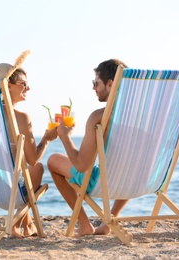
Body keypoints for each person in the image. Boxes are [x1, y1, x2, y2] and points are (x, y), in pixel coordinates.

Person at [47, 59, 129, 236]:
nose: (93, 88)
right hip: (139, 179)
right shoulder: (145, 116)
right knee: (130, 166)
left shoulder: (99, 117)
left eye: (96, 83)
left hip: (109, 182)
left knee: (53, 160)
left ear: (110, 83)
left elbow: (81, 165)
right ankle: (108, 222)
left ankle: (84, 225)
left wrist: (65, 136)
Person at [0, 63, 57, 238]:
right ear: (8, 85)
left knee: (21, 175)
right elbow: (33, 158)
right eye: (23, 83)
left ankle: (29, 225)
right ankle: (15, 224)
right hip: (8, 189)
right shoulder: (21, 118)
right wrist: (47, 139)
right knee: (37, 169)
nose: (28, 87)